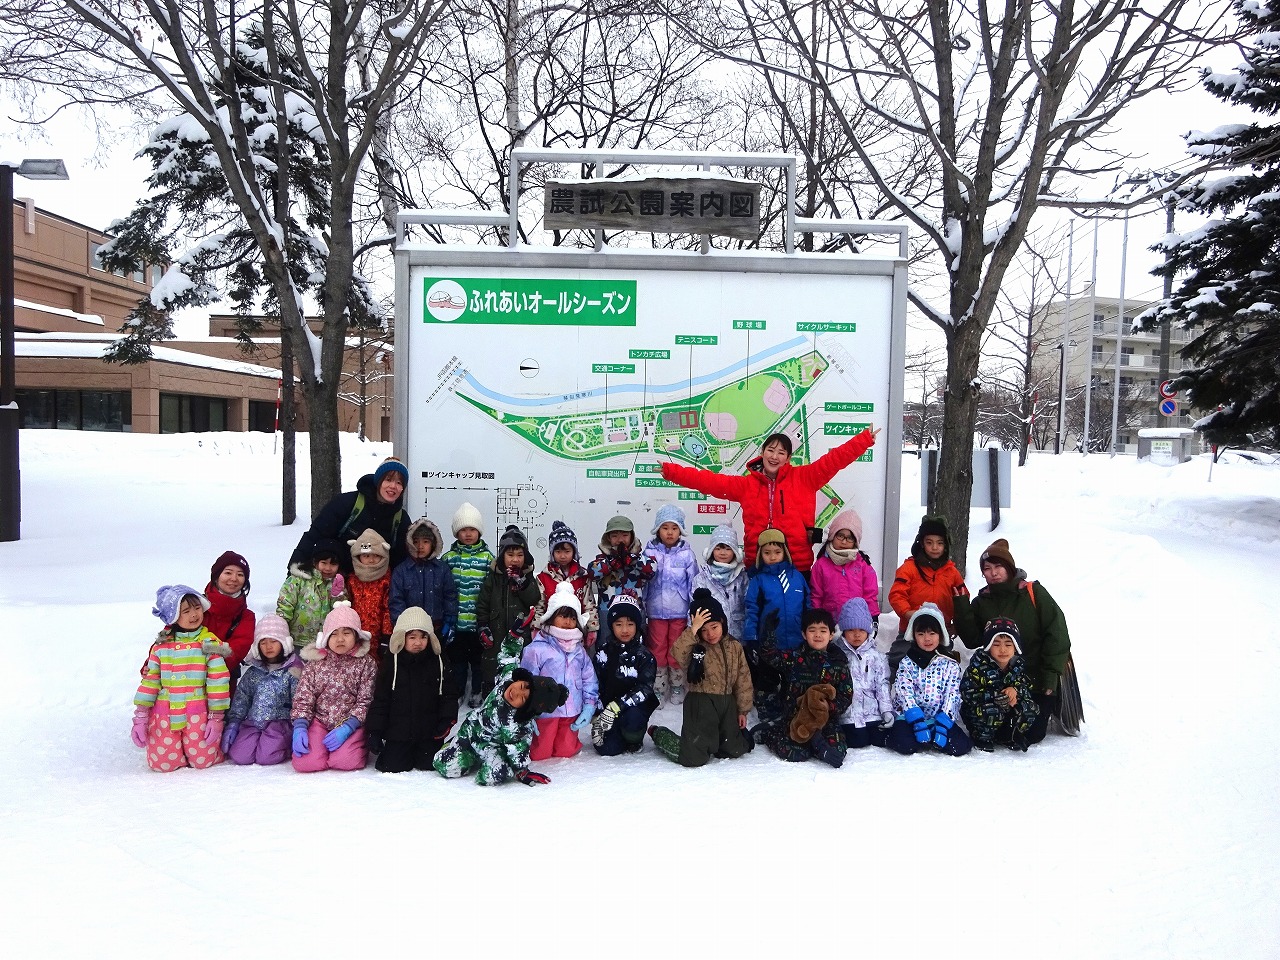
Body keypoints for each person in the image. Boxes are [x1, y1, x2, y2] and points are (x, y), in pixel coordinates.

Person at [659, 427, 879, 574]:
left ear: (788, 458)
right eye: (771, 450)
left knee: (794, 623)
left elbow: (834, 460)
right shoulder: (746, 485)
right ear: (762, 452)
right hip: (758, 564)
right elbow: (707, 481)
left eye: (781, 452)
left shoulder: (806, 478)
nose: (775, 456)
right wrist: (672, 472)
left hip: (797, 566)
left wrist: (863, 440)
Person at [951, 539, 1072, 745]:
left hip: (1035, 680)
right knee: (996, 732)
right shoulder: (982, 602)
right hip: (997, 684)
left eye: (999, 566)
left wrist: (1050, 678)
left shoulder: (1033, 593)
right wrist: (962, 606)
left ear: (1009, 567)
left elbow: (1057, 634)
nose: (993, 572)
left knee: (1031, 734)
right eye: (987, 569)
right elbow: (972, 640)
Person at [434, 611, 568, 787]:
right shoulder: (508, 678)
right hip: (472, 731)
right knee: (443, 766)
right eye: (524, 686)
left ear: (526, 709)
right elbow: (508, 655)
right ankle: (459, 750)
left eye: (524, 698)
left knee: (495, 775)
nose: (517, 692)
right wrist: (515, 634)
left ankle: (492, 764)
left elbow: (518, 749)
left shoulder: (519, 726)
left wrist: (522, 771)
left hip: (492, 747)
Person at [131, 585, 230, 772]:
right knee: (162, 765)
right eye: (186, 611)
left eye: (197, 608)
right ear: (173, 616)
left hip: (197, 714)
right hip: (164, 714)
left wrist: (216, 718)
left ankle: (200, 749)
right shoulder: (161, 646)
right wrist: (141, 717)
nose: (194, 614)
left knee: (203, 761)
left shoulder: (209, 644)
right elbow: (150, 681)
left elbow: (218, 682)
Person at [649, 593, 754, 768]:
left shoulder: (734, 646)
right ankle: (659, 733)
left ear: (723, 622)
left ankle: (729, 738)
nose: (710, 634)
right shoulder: (694, 647)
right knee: (693, 758)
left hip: (727, 703)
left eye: (714, 627)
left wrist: (742, 710)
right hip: (701, 704)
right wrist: (692, 630)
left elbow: (743, 678)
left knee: (734, 750)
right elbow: (677, 652)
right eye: (703, 630)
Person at [365, 606, 459, 773]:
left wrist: (447, 720)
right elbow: (381, 699)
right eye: (412, 637)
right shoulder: (391, 662)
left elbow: (449, 694)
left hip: (429, 732)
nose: (418, 642)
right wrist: (376, 731)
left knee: (431, 764)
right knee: (391, 766)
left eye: (423, 637)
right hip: (399, 732)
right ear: (402, 637)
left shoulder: (438, 660)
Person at [758, 608, 853, 768]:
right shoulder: (795, 658)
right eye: (812, 630)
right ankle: (770, 733)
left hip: (826, 721)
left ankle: (817, 744)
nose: (817, 635)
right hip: (795, 718)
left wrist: (827, 708)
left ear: (831, 635)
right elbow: (770, 655)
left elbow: (846, 695)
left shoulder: (838, 664)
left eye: (823, 631)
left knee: (838, 750)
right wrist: (768, 633)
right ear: (804, 634)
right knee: (793, 753)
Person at [290, 602, 378, 773]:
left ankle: (355, 746)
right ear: (326, 638)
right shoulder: (316, 663)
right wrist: (300, 726)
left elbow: (366, 701)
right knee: (306, 763)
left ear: (356, 636)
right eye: (334, 634)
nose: (340, 639)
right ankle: (320, 749)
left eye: (346, 633)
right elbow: (304, 697)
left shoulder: (366, 664)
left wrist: (349, 726)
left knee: (345, 761)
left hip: (350, 723)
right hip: (320, 721)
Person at [287, 457, 411, 575]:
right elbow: (315, 536)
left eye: (399, 482)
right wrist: (295, 570)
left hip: (377, 588)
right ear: (379, 481)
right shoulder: (347, 503)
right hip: (336, 581)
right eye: (388, 480)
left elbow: (402, 561)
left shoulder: (401, 519)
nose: (393, 486)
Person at [520, 582, 599, 760]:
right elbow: (526, 680)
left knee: (566, 752)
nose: (568, 622)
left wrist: (589, 705)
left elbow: (589, 679)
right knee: (540, 754)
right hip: (545, 712)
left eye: (572, 618)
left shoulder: (579, 651)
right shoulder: (537, 649)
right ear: (550, 617)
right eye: (563, 616)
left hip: (571, 710)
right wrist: (528, 710)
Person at [743, 528, 810, 723]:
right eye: (767, 552)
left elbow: (808, 604)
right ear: (760, 555)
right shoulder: (758, 580)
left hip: (796, 641)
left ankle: (792, 711)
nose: (772, 557)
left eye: (777, 552)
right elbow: (752, 609)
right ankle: (768, 714)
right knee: (768, 678)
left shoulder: (797, 577)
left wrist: (808, 629)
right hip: (769, 642)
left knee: (794, 678)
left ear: (785, 553)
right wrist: (752, 638)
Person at [888, 604, 971, 757]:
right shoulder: (907, 662)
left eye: (932, 633)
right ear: (914, 635)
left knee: (961, 747)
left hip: (937, 718)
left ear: (940, 635)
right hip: (909, 716)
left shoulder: (950, 664)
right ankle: (901, 733)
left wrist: (944, 723)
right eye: (921, 634)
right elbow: (903, 692)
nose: (927, 639)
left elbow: (952, 694)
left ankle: (933, 730)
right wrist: (916, 719)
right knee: (905, 745)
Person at [887, 516, 967, 674]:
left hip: (940, 631)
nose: (935, 547)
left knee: (943, 665)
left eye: (940, 543)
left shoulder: (952, 572)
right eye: (929, 542)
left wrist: (957, 623)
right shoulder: (909, 568)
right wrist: (907, 613)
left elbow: (962, 600)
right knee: (899, 661)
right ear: (922, 544)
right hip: (911, 629)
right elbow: (897, 594)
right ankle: (890, 691)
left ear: (946, 545)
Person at [221, 614, 302, 766]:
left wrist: (298, 725)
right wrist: (234, 722)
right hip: (253, 722)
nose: (268, 646)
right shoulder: (254, 671)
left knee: (267, 757)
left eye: (273, 641)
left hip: (279, 724)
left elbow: (299, 700)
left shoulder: (292, 671)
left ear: (284, 643)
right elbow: (242, 697)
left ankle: (285, 746)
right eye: (263, 642)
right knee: (240, 756)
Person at [642, 505, 699, 704]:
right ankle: (658, 687)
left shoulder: (687, 555)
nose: (669, 532)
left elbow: (694, 583)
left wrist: (693, 609)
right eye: (665, 527)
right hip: (656, 611)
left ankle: (676, 685)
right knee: (657, 648)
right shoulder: (649, 553)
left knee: (677, 648)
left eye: (674, 528)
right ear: (658, 529)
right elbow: (643, 581)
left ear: (680, 530)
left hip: (679, 611)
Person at [476, 525, 541, 699]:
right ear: (502, 555)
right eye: (510, 555)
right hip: (495, 635)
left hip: (519, 636)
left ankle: (519, 700)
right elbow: (482, 604)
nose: (515, 559)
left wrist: (522, 583)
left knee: (519, 669)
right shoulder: (493, 578)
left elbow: (534, 599)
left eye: (520, 555)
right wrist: (483, 626)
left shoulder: (528, 577)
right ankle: (490, 698)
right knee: (492, 667)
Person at [589, 595, 658, 756]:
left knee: (632, 722)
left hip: (633, 709)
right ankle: (611, 733)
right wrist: (597, 714)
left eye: (630, 624)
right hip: (608, 711)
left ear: (637, 626)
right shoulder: (603, 653)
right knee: (608, 749)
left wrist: (617, 707)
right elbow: (595, 684)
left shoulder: (644, 656)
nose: (625, 630)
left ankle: (634, 739)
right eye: (619, 624)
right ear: (611, 626)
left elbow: (645, 689)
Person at [442, 502, 494, 708]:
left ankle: (477, 691)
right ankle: (457, 691)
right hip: (457, 623)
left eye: (472, 529)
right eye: (463, 529)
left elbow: (492, 590)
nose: (468, 534)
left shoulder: (488, 559)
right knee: (458, 662)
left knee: (479, 661)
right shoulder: (449, 558)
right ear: (456, 533)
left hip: (478, 623)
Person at [960, 618, 1040, 752]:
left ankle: (1008, 735)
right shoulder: (978, 666)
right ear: (988, 646)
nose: (1003, 649)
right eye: (996, 644)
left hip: (1007, 711)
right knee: (990, 711)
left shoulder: (1018, 666)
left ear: (1015, 647)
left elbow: (1027, 686)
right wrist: (995, 696)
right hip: (982, 713)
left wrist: (1015, 691)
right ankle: (982, 737)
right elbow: (966, 692)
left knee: (1030, 708)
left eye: (1008, 644)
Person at [833, 598, 895, 750]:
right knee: (858, 742)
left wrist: (886, 710)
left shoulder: (876, 657)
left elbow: (882, 685)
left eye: (861, 630)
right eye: (851, 630)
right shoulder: (837, 655)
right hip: (848, 716)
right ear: (844, 631)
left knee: (880, 740)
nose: (856, 635)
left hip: (872, 713)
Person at [587, 515, 656, 644]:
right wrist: (611, 562)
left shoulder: (639, 559)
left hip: (634, 610)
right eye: (614, 536)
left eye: (624, 535)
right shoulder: (602, 559)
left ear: (631, 536)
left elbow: (652, 570)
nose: (620, 540)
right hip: (607, 611)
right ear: (608, 538)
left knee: (636, 648)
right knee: (606, 647)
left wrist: (633, 559)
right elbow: (592, 572)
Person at [809, 509, 880, 627]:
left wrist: (873, 617)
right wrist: (816, 618)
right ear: (832, 535)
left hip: (856, 624)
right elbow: (816, 595)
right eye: (840, 536)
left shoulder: (862, 564)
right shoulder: (821, 565)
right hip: (829, 623)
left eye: (849, 538)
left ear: (855, 541)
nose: (844, 541)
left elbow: (870, 594)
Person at [534, 520, 598, 646]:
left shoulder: (582, 577)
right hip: (551, 633)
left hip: (576, 633)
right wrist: (536, 627)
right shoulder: (544, 577)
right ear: (552, 553)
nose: (562, 556)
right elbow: (539, 606)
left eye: (567, 551)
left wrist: (592, 629)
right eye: (558, 552)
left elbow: (589, 604)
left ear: (574, 551)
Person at [276, 538, 346, 653]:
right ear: (315, 562)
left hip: (324, 643)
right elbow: (285, 605)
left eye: (333, 564)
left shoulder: (337, 583)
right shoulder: (298, 580)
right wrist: (280, 633)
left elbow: (341, 611)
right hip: (296, 641)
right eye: (324, 563)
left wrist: (338, 595)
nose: (328, 568)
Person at [389, 517, 458, 633]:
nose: (420, 546)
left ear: (433, 543)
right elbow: (396, 601)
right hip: (410, 630)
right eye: (415, 541)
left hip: (437, 628)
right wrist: (400, 626)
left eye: (425, 541)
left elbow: (450, 596)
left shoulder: (442, 569)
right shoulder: (401, 571)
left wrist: (449, 623)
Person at [203, 550, 256, 682]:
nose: (234, 578)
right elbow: (170, 636)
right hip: (180, 682)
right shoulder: (196, 606)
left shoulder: (246, 617)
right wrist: (151, 665)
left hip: (220, 684)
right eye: (228, 572)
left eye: (240, 574)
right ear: (216, 576)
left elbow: (236, 652)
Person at [690, 523, 749, 641]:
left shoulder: (742, 576)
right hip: (711, 637)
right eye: (718, 548)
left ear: (735, 552)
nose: (723, 553)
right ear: (711, 551)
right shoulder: (702, 578)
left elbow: (748, 605)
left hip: (737, 636)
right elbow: (694, 608)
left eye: (728, 548)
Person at [346, 528, 394, 662]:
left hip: (378, 633)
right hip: (355, 631)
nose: (371, 560)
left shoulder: (386, 580)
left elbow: (388, 608)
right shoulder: (352, 580)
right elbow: (346, 603)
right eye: (366, 556)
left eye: (376, 555)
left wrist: (387, 634)